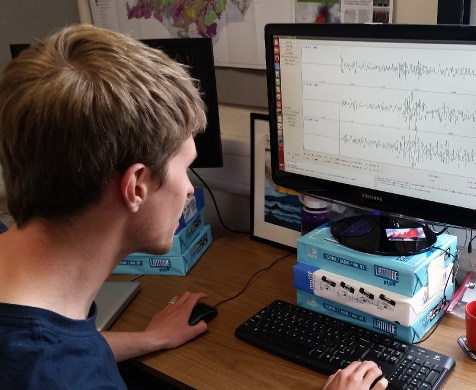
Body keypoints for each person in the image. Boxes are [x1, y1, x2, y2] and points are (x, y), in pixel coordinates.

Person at [0, 24, 388, 390]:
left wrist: (147, 339)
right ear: (136, 186)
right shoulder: (58, 376)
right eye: (184, 168)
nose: (189, 189)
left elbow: (69, 350)